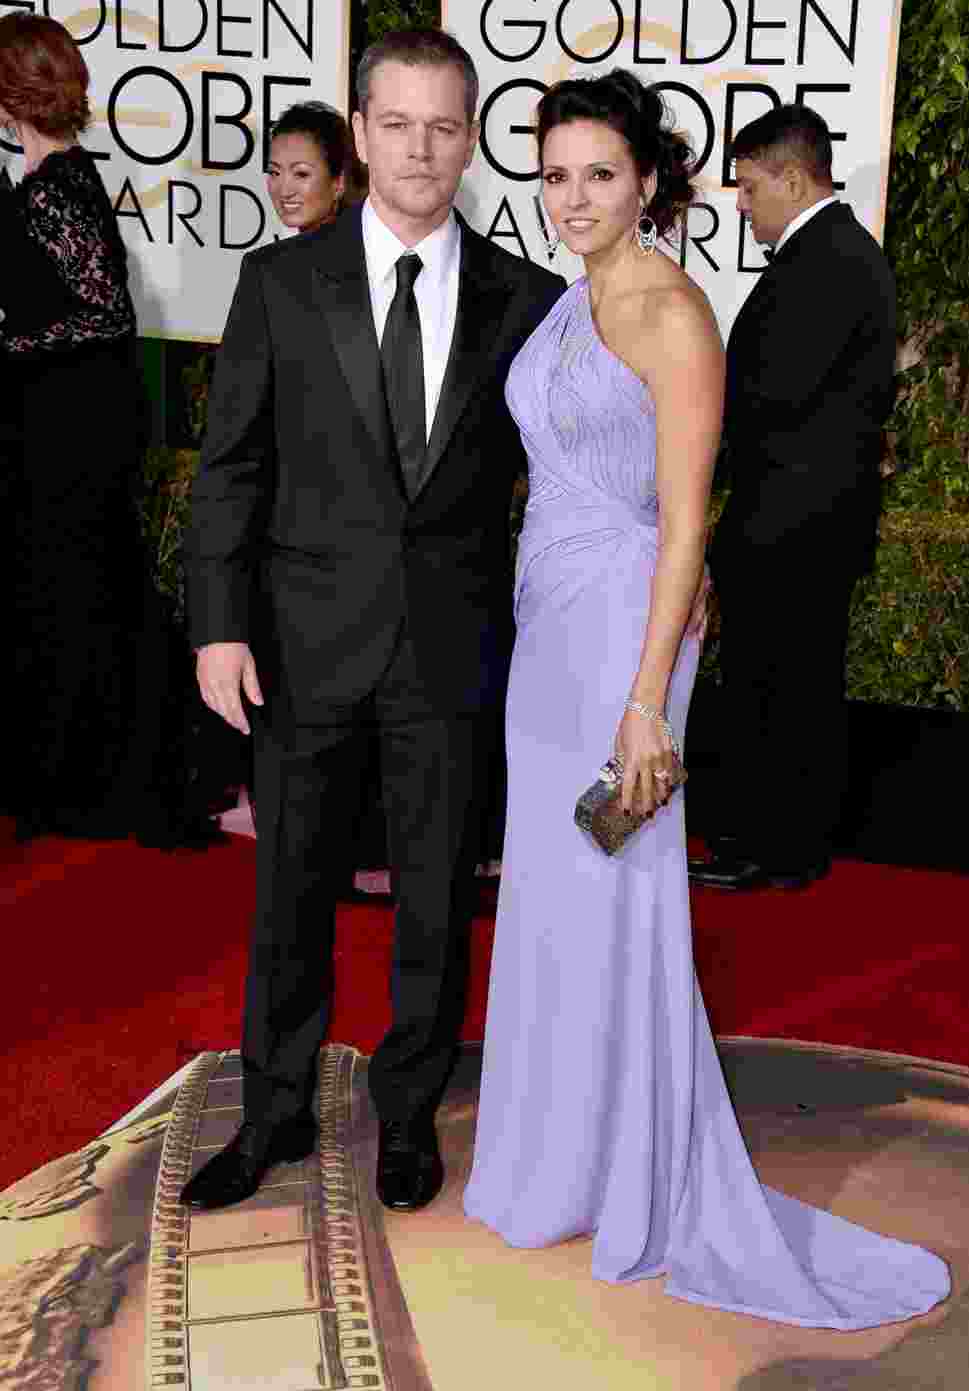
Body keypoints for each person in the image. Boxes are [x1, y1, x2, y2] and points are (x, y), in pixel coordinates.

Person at [462, 71, 949, 1328]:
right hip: (547, 629)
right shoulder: (576, 298)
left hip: (625, 634)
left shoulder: (673, 313)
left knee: (616, 885)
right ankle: (558, 1154)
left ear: (649, 182)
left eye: (599, 176)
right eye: (556, 174)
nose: (573, 198)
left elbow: (684, 526)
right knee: (555, 885)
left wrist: (644, 702)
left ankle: (632, 1173)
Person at [182, 28, 564, 1214]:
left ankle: (408, 1115)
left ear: (471, 137)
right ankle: (275, 1110)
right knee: (287, 890)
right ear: (359, 132)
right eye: (395, 124)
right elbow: (231, 466)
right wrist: (216, 623)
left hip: (449, 647)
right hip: (298, 640)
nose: (419, 149)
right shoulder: (280, 283)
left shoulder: (529, 300)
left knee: (439, 894)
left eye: (444, 126)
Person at [0, 13, 207, 847]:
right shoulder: (48, 184)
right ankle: (66, 773)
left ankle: (93, 779)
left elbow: (102, 313)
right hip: (53, 420)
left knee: (80, 595)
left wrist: (8, 340)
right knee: (62, 595)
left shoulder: (58, 190)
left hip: (71, 426)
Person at [689, 104, 899, 892]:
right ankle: (780, 843)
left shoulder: (829, 262)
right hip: (798, 527)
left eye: (747, 187)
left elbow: (768, 396)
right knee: (789, 686)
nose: (740, 205)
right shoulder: (834, 255)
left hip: (793, 531)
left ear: (789, 176)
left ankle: (774, 847)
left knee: (784, 689)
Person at [266, 100, 351, 234]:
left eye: (301, 174)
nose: (284, 192)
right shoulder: (277, 254)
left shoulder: (363, 251)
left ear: (338, 182)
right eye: (275, 173)